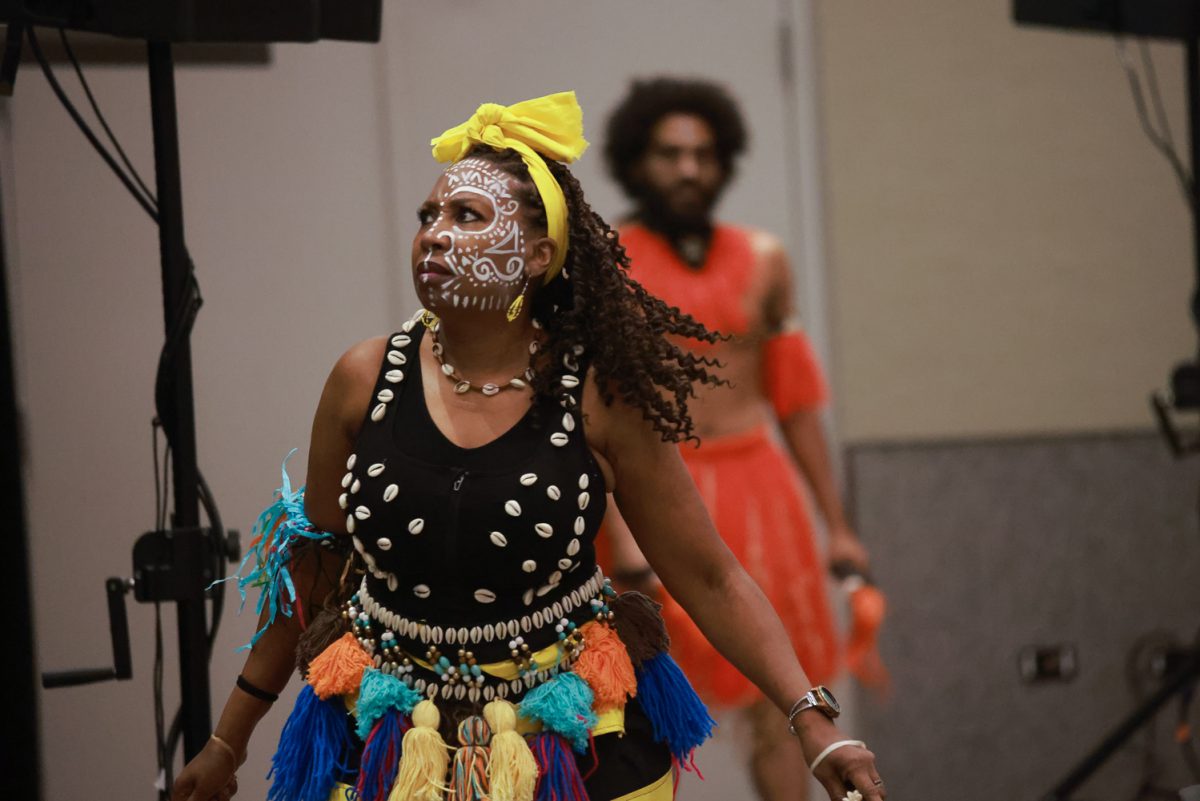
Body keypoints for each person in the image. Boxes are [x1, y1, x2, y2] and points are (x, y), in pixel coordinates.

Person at [171, 92, 886, 801]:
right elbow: (314, 570)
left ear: (538, 255)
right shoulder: (362, 379)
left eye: (467, 217)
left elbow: (711, 576)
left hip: (575, 746)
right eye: (429, 216)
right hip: (393, 745)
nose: (435, 235)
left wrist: (814, 720)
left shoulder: (596, 395)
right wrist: (226, 742)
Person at [598, 77, 884, 801]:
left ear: (726, 162)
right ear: (636, 162)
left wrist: (840, 525)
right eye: (669, 154)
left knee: (782, 696)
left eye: (704, 154)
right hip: (655, 488)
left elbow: (796, 402)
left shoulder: (764, 258)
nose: (689, 169)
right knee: (641, 695)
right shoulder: (609, 263)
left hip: (764, 497)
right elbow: (593, 414)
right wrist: (622, 536)